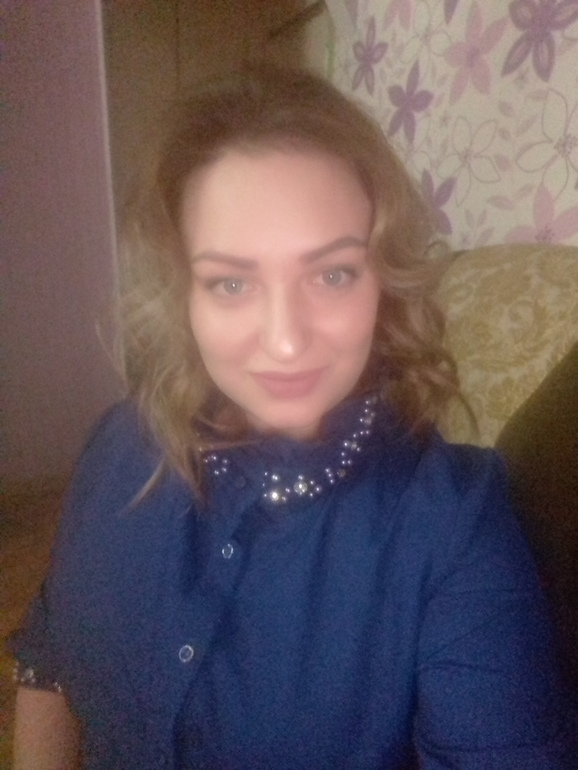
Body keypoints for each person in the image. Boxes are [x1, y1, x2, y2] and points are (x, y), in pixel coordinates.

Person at [9, 64, 575, 770]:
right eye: (231, 282)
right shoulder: (120, 444)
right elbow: (48, 660)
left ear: (382, 279)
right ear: (184, 294)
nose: (284, 341)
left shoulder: (453, 524)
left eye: (332, 274)